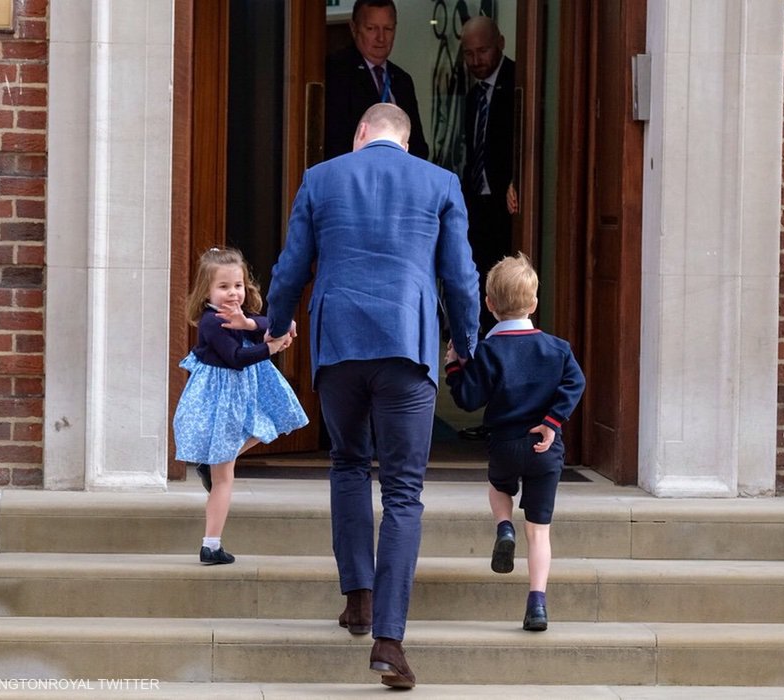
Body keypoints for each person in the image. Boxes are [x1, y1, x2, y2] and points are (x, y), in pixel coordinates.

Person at [266, 103, 478, 689]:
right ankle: (389, 641)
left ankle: (358, 599)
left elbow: (291, 267)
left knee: (348, 464)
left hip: (339, 343)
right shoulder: (440, 182)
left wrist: (275, 325)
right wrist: (466, 344)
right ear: (405, 143)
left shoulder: (321, 177)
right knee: (405, 491)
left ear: (360, 133)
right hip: (408, 344)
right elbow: (460, 277)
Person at [444, 252, 585, 632]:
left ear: (489, 305)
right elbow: (576, 383)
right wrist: (553, 422)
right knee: (539, 531)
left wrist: (455, 366)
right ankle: (536, 603)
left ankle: (503, 526)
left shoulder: (488, 352)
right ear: (534, 303)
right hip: (545, 449)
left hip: (504, 446)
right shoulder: (557, 349)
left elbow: (469, 398)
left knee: (497, 487)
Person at [173, 247, 309, 565]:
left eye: (237, 285)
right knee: (224, 478)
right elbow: (236, 359)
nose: (233, 293)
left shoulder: (238, 315)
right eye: (223, 287)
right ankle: (211, 545)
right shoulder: (211, 322)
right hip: (222, 401)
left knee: (272, 424)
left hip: (241, 397)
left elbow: (274, 322)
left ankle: (217, 464)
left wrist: (250, 325)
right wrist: (271, 346)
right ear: (206, 291)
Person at [461, 16, 517, 337]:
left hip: (508, 206)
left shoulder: (520, 80)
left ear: (501, 44)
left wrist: (517, 179)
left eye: (482, 51)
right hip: (477, 206)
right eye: (468, 53)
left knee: (506, 286)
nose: (476, 61)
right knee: (479, 280)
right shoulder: (473, 98)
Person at [324, 0, 429, 161]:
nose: (381, 38)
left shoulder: (402, 80)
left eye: (388, 28)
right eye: (371, 29)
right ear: (354, 28)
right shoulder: (334, 72)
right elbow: (334, 142)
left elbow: (417, 145)